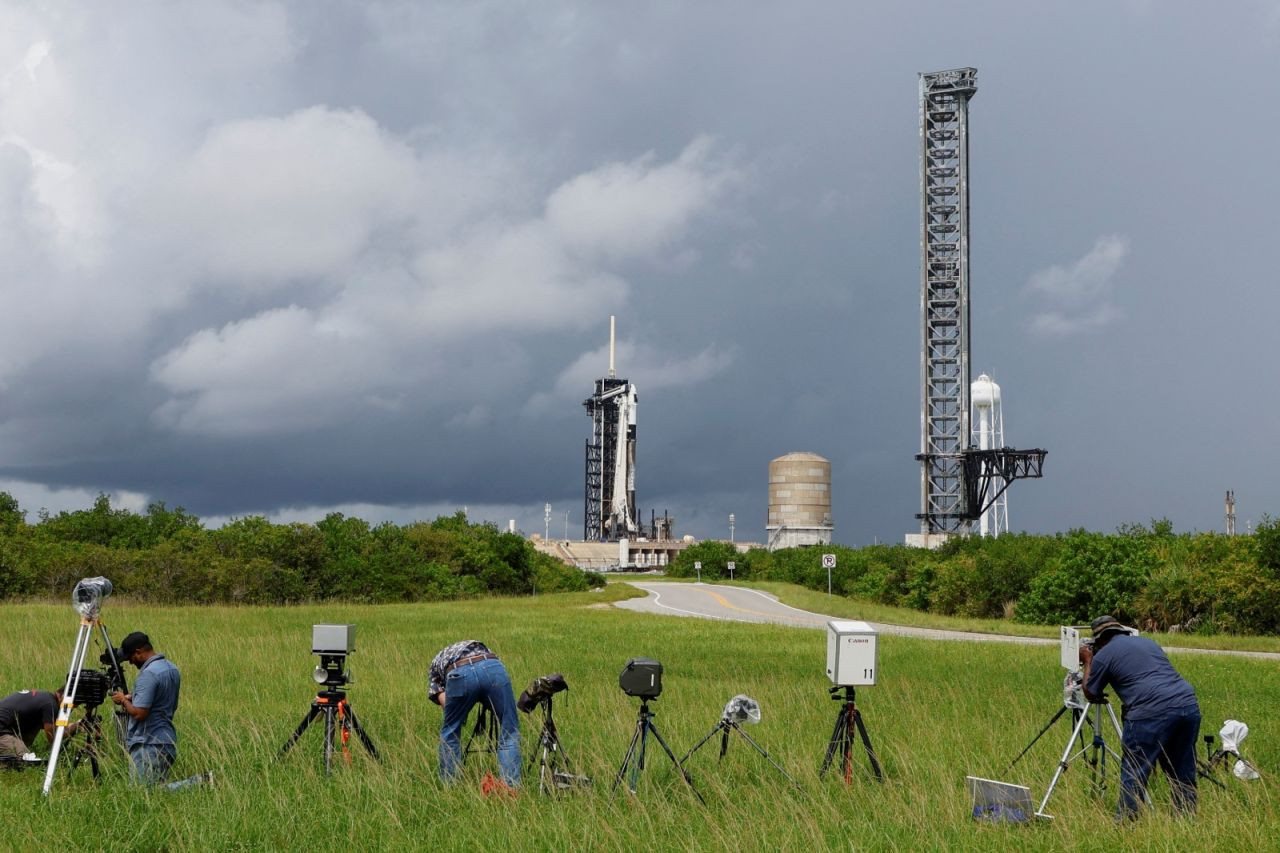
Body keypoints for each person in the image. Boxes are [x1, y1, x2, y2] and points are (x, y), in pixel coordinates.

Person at [1080, 614, 1201, 818]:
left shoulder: (1104, 654)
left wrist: (1088, 660)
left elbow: (1090, 692)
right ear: (1122, 631)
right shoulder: (1148, 643)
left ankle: (1127, 825)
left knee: (1134, 771)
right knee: (1182, 770)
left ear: (1099, 639)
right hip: (1187, 704)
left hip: (1149, 711)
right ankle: (1186, 819)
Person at [427, 640, 521, 789]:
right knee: (509, 730)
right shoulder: (479, 648)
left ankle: (449, 787)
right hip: (493, 666)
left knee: (450, 732)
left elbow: (446, 704)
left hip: (459, 672)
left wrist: (459, 711)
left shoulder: (434, 669)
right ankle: (511, 787)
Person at [110, 631, 185, 787]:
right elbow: (162, 701)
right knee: (156, 794)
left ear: (139, 652)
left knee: (142, 793)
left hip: (148, 744)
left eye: (130, 658)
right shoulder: (171, 668)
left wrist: (124, 700)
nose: (130, 663)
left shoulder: (148, 674)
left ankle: (199, 782)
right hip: (166, 741)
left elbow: (139, 713)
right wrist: (134, 697)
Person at [0, 688, 77, 757]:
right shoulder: (50, 705)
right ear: (61, 696)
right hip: (2, 730)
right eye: (70, 705)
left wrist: (75, 725)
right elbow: (52, 737)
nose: (69, 709)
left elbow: (55, 728)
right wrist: (75, 727)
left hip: (7, 727)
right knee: (25, 759)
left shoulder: (45, 698)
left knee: (36, 724)